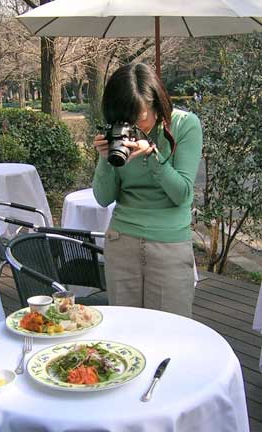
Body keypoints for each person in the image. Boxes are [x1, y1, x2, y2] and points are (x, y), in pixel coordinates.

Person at [92, 62, 202, 318]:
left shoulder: (186, 125)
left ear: (158, 103)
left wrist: (154, 156)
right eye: (129, 119)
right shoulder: (119, 129)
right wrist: (105, 158)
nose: (137, 126)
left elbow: (182, 194)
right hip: (122, 242)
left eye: (141, 118)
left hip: (169, 245)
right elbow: (103, 197)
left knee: (170, 333)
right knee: (126, 330)